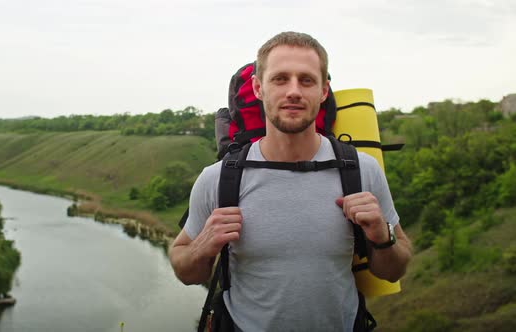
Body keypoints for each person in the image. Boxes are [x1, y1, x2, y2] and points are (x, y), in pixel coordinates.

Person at [169, 31, 412, 331]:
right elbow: (185, 269)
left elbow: (393, 269)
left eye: (307, 80)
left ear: (324, 91)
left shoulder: (361, 169)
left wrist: (382, 236)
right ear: (259, 87)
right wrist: (200, 249)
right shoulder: (220, 178)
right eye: (280, 79)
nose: (293, 91)